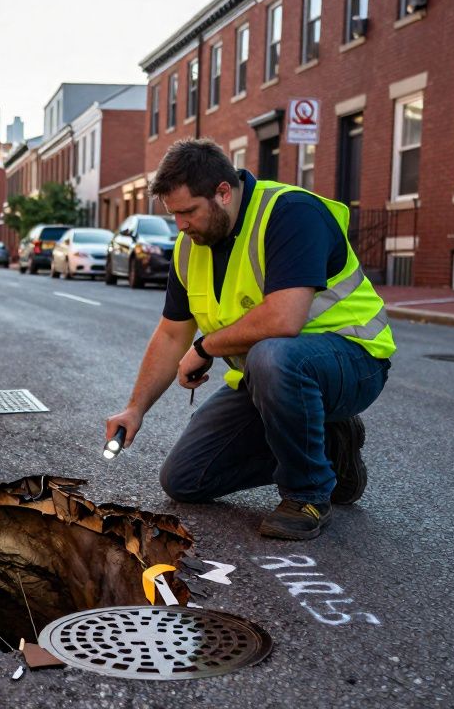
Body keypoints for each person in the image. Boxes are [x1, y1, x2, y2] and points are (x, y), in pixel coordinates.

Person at [105, 139, 395, 540]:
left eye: (189, 212)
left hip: (352, 361)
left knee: (273, 355)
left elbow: (284, 318)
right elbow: (172, 332)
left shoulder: (291, 213)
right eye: (174, 215)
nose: (182, 226)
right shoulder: (190, 248)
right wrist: (134, 409)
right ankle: (328, 445)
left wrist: (206, 347)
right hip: (268, 379)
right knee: (184, 480)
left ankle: (307, 493)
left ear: (223, 192)